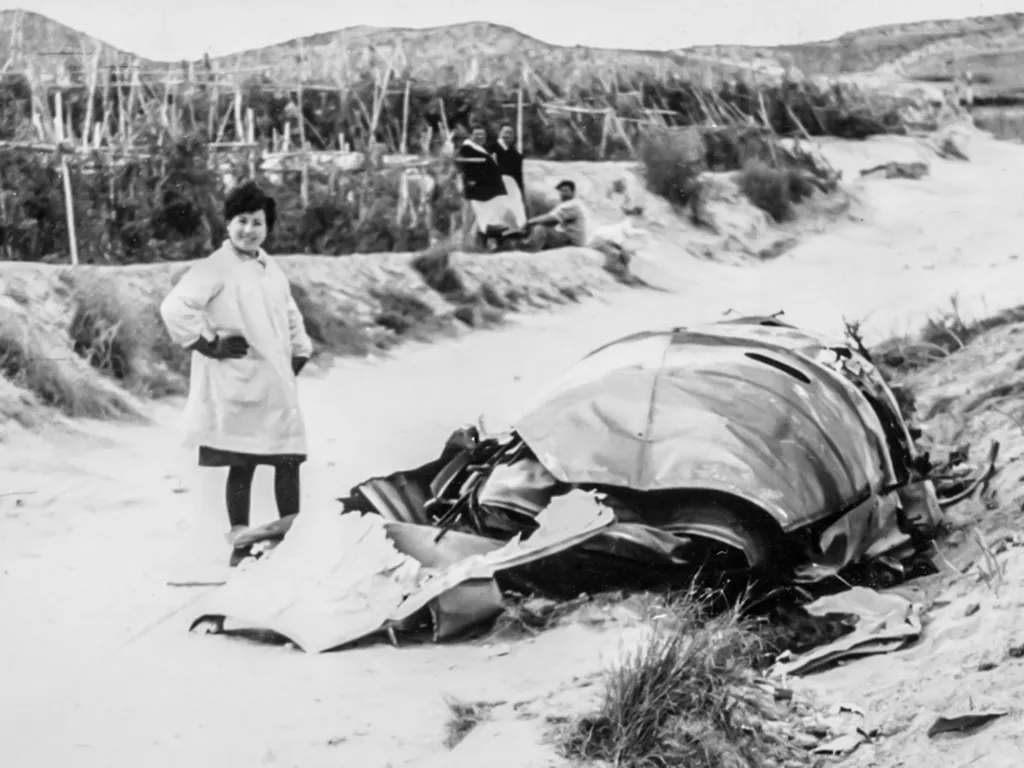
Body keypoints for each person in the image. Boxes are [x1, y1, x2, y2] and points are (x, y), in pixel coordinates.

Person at [159, 181, 313, 566]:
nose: (249, 230)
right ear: (227, 224)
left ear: (268, 227)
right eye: (241, 221)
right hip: (237, 383)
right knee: (241, 465)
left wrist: (296, 357)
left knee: (287, 461)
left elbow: (291, 316)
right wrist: (210, 346)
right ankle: (241, 543)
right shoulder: (215, 267)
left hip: (275, 387)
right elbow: (174, 308)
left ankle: (287, 539)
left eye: (257, 222)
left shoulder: (269, 267)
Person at [455, 124, 513, 250]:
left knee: (486, 220)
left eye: (482, 135)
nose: (480, 137)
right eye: (477, 134)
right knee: (478, 221)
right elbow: (466, 170)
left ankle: (483, 244)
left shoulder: (482, 149)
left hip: (489, 192)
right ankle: (472, 245)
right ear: (471, 136)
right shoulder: (467, 149)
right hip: (479, 193)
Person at [524, 179, 590, 251]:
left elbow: (551, 218)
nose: (562, 194)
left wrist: (530, 222)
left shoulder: (572, 204)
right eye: (561, 191)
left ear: (573, 192)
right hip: (571, 240)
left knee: (541, 229)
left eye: (565, 191)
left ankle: (527, 250)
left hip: (572, 243)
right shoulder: (574, 204)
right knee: (546, 232)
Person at [492, 123, 527, 228]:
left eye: (510, 133)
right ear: (499, 134)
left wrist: (522, 194)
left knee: (515, 212)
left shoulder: (517, 156)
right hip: (494, 185)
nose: (507, 135)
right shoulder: (490, 149)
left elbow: (519, 177)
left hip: (512, 188)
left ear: (513, 137)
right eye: (505, 132)